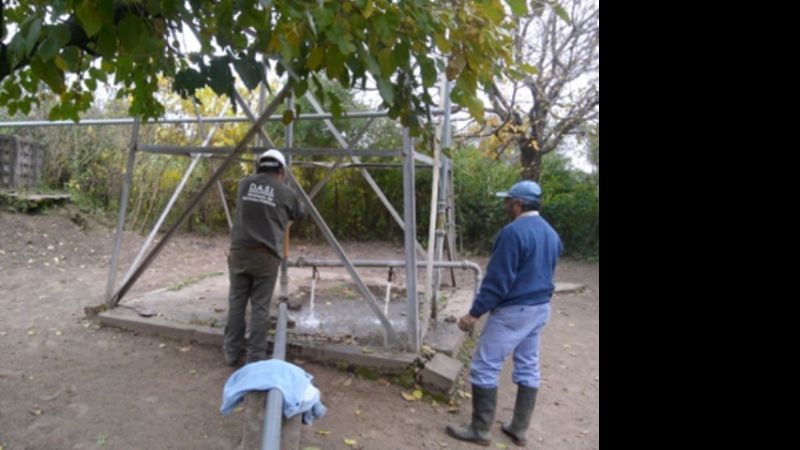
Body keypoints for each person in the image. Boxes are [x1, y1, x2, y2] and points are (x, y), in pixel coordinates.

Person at [446, 180, 562, 447]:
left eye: (507, 201)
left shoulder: (512, 233)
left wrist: (473, 314)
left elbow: (497, 281)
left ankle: (480, 430)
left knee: (485, 366)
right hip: (540, 308)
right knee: (528, 366)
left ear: (518, 204)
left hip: (513, 311)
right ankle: (519, 428)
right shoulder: (551, 233)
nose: (505, 205)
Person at [223, 149, 305, 367]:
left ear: (259, 167)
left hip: (238, 252)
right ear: (280, 170)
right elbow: (300, 214)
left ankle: (231, 354)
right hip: (266, 256)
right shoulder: (285, 191)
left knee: (236, 303)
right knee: (260, 307)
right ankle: (255, 358)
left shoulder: (244, 185)